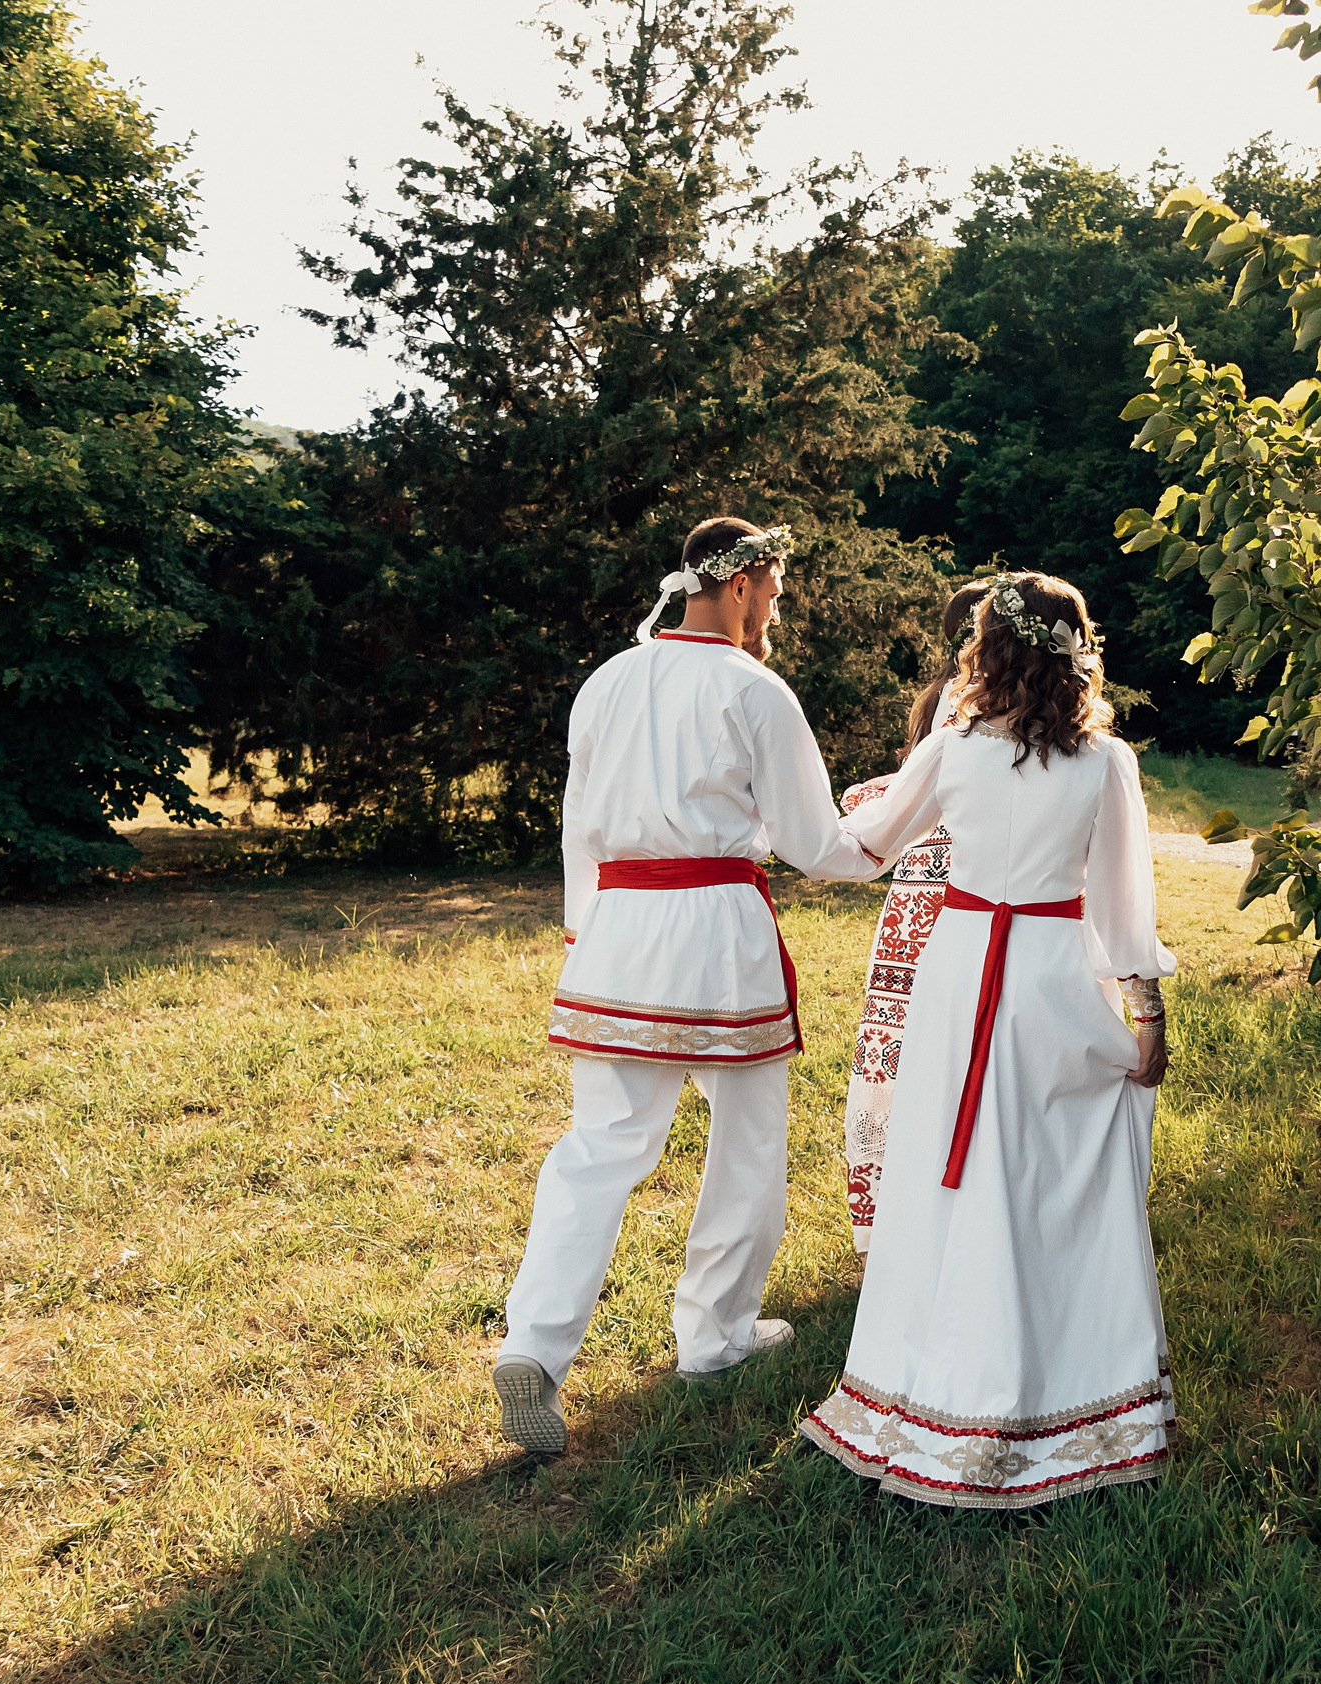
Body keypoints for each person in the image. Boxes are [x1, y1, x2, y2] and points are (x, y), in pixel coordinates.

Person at [491, 517, 882, 1456]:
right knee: (747, 1140)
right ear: (742, 581)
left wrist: (589, 936)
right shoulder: (754, 689)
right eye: (775, 595)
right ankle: (715, 1334)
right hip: (715, 932)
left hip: (618, 933)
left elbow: (578, 827)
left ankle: (535, 1350)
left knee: (600, 1148)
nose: (775, 616)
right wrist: (907, 815)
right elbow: (814, 841)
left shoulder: (605, 681)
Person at [800, 573, 1177, 1509]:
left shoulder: (953, 746)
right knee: (1061, 1169)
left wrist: (784, 824)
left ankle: (936, 1386)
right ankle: (1076, 1391)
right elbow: (1125, 913)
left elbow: (863, 846)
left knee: (952, 1174)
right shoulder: (1106, 762)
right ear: (1075, 649)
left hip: (962, 969)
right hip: (1052, 973)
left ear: (990, 647)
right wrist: (1148, 1014)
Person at [837, 578, 991, 1254]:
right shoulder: (973, 703)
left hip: (920, 897)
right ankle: (947, 1211)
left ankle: (903, 1214)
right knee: (950, 1049)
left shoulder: (942, 701)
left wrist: (866, 795)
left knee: (913, 1051)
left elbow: (910, 795)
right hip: (959, 895)